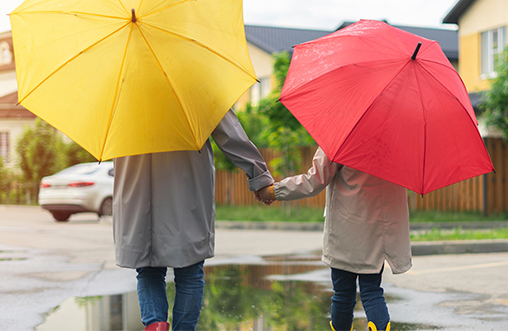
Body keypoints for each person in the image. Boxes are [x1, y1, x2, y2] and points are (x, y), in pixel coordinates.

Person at [113, 109, 274, 331]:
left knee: (148, 267)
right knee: (190, 270)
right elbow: (231, 135)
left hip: (137, 189)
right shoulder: (197, 85)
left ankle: (156, 324)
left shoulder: (122, 90)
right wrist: (259, 177)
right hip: (186, 187)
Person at [257, 147, 411, 331]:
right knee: (372, 291)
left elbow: (313, 181)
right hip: (381, 231)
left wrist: (274, 191)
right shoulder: (396, 141)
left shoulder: (341, 139)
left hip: (348, 228)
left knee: (343, 294)